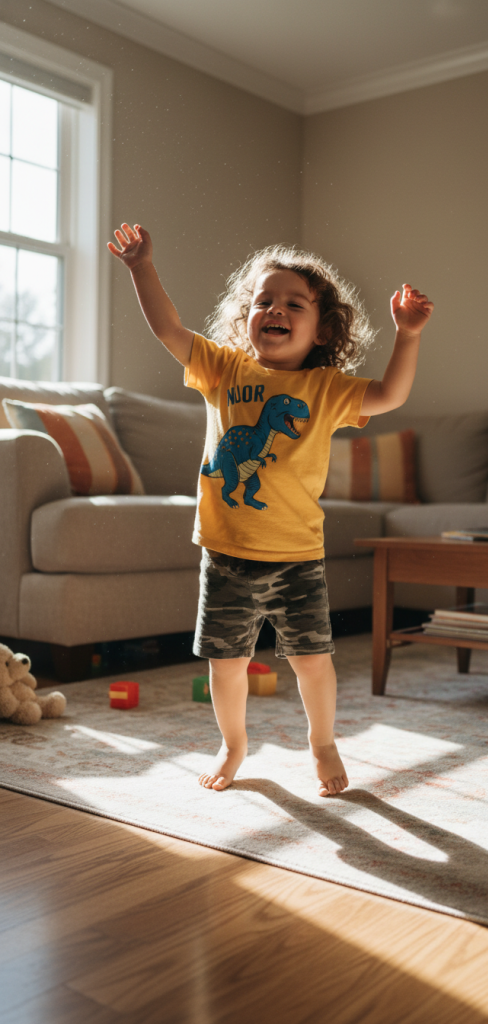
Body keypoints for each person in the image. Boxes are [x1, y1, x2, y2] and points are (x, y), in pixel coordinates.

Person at [108, 223, 434, 796]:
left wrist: (408, 335)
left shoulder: (326, 387)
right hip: (227, 551)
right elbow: (167, 328)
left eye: (293, 303)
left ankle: (322, 741)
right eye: (263, 301)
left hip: (297, 555)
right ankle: (234, 744)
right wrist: (141, 269)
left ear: (322, 328)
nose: (274, 310)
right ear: (246, 316)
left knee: (312, 660)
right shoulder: (224, 370)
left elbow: (390, 396)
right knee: (227, 663)